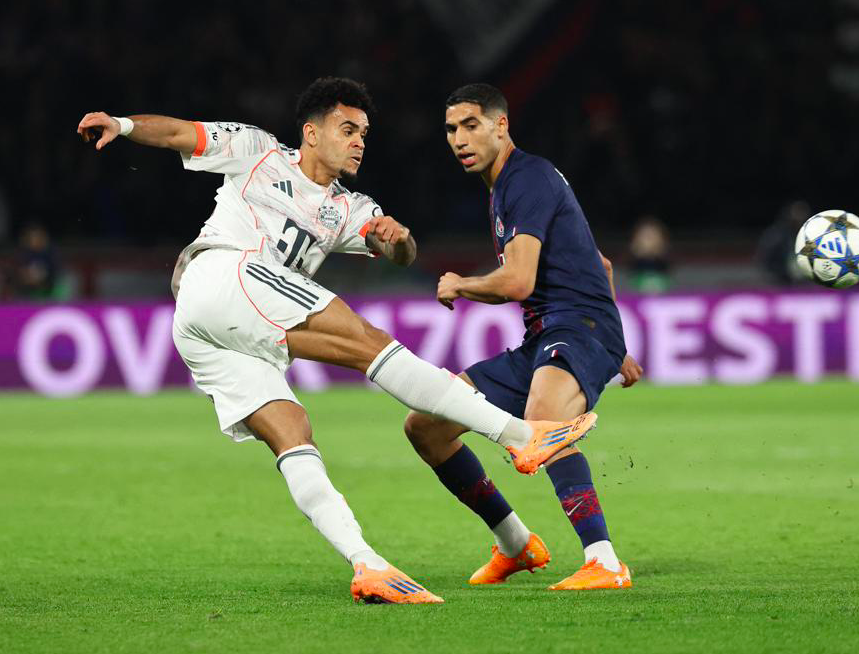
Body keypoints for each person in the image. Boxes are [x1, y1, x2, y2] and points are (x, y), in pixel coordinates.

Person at [76, 77, 597, 604]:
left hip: (210, 327)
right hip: (223, 272)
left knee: (292, 433)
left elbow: (398, 251)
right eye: (347, 130)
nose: (359, 142)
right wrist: (122, 125)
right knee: (368, 341)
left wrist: (398, 239)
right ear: (311, 132)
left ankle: (366, 565)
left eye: (364, 134)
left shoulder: (349, 207)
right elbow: (178, 134)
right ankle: (519, 436)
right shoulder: (258, 151)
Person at [403, 83, 642, 591]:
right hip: (549, 337)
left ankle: (604, 562)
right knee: (426, 426)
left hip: (576, 326)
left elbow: (517, 283)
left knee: (543, 421)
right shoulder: (506, 187)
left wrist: (461, 283)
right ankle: (515, 543)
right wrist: (616, 346)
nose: (460, 139)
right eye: (451, 129)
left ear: (501, 125)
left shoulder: (526, 178)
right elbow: (600, 263)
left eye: (471, 125)